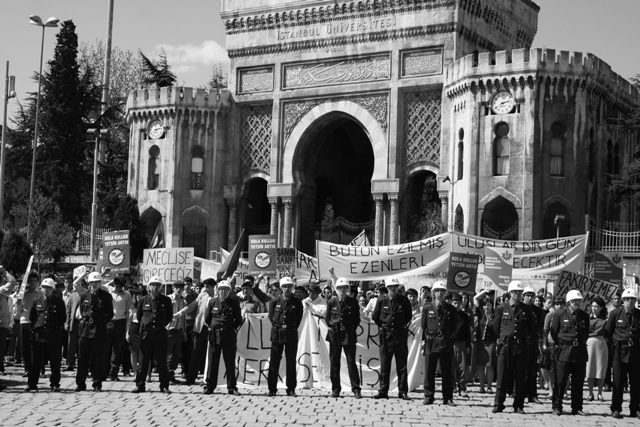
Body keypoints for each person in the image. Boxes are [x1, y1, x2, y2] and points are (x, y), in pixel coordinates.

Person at [492, 280, 534, 414]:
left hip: (520, 347)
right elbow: (496, 327)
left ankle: (518, 405)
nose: (517, 294)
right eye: (515, 292)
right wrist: (503, 338)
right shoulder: (501, 308)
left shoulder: (526, 309)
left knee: (520, 378)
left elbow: (531, 328)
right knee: (502, 377)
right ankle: (498, 404)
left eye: (519, 292)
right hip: (506, 346)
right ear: (510, 293)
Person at [549, 290, 589, 416]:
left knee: (578, 382)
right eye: (574, 300)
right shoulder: (559, 314)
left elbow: (586, 333)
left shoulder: (584, 315)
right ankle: (557, 406)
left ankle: (577, 407)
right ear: (569, 301)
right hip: (564, 350)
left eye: (578, 300)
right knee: (560, 381)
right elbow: (554, 332)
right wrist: (563, 344)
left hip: (580, 351)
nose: (577, 302)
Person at [372, 278, 412, 400]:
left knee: (402, 365)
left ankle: (403, 391)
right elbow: (375, 316)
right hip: (386, 336)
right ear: (387, 288)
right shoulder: (381, 300)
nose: (393, 289)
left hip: (400, 335)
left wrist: (399, 325)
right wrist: (384, 326)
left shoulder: (403, 300)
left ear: (397, 287)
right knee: (385, 365)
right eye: (390, 287)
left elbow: (408, 316)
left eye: (395, 286)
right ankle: (383, 390)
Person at [132, 276, 173, 393]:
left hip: (160, 333)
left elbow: (169, 317)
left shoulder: (166, 300)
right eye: (153, 285)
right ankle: (140, 385)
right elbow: (139, 316)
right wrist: (147, 324)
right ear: (149, 287)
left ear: (161, 287)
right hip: (147, 334)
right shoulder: (143, 300)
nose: (155, 287)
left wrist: (160, 325)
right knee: (143, 361)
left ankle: (164, 386)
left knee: (162, 361)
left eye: (157, 285)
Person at [173, 278, 216, 385]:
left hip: (213, 329)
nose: (205, 289)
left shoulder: (218, 298)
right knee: (195, 353)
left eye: (208, 287)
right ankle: (191, 378)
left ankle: (210, 379)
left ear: (213, 287)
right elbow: (191, 306)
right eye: (204, 287)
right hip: (200, 328)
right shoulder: (201, 296)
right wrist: (179, 313)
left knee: (211, 354)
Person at [75, 272, 114, 392]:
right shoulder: (84, 295)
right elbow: (82, 311)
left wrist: (101, 323)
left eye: (96, 282)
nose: (94, 284)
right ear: (89, 283)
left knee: (98, 358)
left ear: (100, 282)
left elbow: (110, 314)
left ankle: (97, 383)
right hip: (86, 330)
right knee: (82, 358)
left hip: (99, 330)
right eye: (92, 282)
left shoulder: (106, 296)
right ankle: (80, 383)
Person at [605, 288, 640, 419]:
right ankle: (616, 408)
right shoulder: (615, 314)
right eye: (627, 299)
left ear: (636, 300)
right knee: (618, 382)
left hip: (636, 352)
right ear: (623, 300)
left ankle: (635, 409)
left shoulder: (639, 314)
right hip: (619, 351)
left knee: (636, 382)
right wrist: (613, 347)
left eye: (632, 299)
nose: (630, 301)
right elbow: (607, 333)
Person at [26, 278, 66, 392]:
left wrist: (55, 328)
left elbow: (62, 318)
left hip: (53, 335)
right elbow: (32, 317)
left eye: (48, 288)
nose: (45, 290)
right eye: (44, 287)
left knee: (55, 361)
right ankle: (32, 383)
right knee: (35, 361)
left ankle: (55, 383)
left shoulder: (59, 302)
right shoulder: (36, 301)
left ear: (52, 289)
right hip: (39, 335)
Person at [422, 280, 458, 405]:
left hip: (445, 342)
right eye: (437, 291)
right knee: (429, 371)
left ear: (445, 292)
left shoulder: (451, 309)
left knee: (447, 371)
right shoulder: (427, 308)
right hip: (431, 342)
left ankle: (447, 397)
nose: (439, 293)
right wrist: (424, 340)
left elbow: (456, 325)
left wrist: (450, 336)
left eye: (442, 291)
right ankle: (429, 396)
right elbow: (423, 326)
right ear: (433, 293)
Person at [203, 280, 242, 395]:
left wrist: (231, 329)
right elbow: (207, 319)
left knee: (230, 362)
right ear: (217, 290)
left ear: (229, 291)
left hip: (228, 335)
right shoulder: (212, 302)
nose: (223, 291)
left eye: (225, 289)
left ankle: (232, 387)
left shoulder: (234, 303)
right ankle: (210, 386)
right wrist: (213, 328)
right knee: (212, 362)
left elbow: (238, 320)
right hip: (215, 335)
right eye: (221, 289)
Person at [325, 277, 362, 398]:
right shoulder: (331, 302)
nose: (342, 290)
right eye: (340, 288)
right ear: (336, 289)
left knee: (351, 362)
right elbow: (328, 319)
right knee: (334, 362)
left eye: (344, 288)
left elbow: (357, 319)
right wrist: (334, 327)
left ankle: (356, 389)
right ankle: (336, 389)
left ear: (347, 289)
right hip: (335, 335)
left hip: (348, 334)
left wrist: (349, 329)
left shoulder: (353, 302)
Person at [267, 277, 303, 396]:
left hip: (290, 333)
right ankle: (272, 388)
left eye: (289, 286)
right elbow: (271, 317)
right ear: (281, 288)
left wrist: (290, 327)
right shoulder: (274, 302)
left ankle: (291, 388)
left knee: (291, 361)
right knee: (274, 361)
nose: (287, 288)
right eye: (285, 286)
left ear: (292, 287)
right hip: (277, 333)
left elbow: (299, 318)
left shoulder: (297, 302)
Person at [106, 276, 132, 382]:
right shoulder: (109, 291)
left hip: (120, 322)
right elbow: (100, 285)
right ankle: (104, 372)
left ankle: (114, 373)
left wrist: (127, 329)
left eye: (120, 286)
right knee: (105, 348)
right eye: (116, 286)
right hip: (108, 321)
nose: (118, 288)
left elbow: (128, 312)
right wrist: (110, 280)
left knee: (116, 349)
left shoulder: (127, 295)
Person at [16, 271, 41, 378]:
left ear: (37, 282)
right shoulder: (23, 294)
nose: (32, 282)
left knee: (35, 347)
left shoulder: (40, 294)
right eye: (30, 280)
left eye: (34, 280)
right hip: (24, 321)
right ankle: (27, 369)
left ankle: (37, 369)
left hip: (35, 323)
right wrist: (18, 303)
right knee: (24, 346)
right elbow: (18, 309)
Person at [522, 286, 545, 404]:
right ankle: (519, 393)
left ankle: (532, 395)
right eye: (528, 296)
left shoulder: (538, 311)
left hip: (533, 342)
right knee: (521, 370)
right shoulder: (519, 308)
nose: (530, 298)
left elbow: (540, 326)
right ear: (523, 296)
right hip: (521, 342)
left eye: (532, 296)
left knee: (532, 370)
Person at [473, 289, 496, 394]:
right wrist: (485, 291)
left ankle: (489, 386)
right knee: (480, 365)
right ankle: (481, 386)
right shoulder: (481, 314)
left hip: (491, 342)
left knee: (489, 365)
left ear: (492, 306)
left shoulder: (495, 316)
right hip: (480, 343)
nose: (487, 307)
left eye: (489, 305)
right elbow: (475, 298)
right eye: (485, 305)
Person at [586, 296, 608, 402]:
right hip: (589, 344)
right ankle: (590, 393)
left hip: (601, 344)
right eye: (593, 306)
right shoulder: (587, 318)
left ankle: (600, 393)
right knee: (589, 369)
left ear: (601, 308)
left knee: (600, 369)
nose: (594, 308)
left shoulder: (606, 319)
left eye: (596, 306)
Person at [167, 281, 187, 384]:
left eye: (181, 288)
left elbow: (184, 318)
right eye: (177, 287)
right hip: (169, 329)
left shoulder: (184, 301)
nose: (179, 290)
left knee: (176, 353)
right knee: (167, 352)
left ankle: (171, 374)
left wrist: (184, 332)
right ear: (173, 288)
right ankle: (165, 374)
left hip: (179, 329)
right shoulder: (168, 299)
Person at [451, 293, 471, 398]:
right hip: (450, 343)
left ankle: (462, 388)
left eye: (458, 303)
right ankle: (452, 386)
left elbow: (468, 332)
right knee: (450, 367)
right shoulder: (448, 314)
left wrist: (468, 345)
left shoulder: (465, 316)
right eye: (455, 303)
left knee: (462, 367)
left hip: (461, 344)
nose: (456, 305)